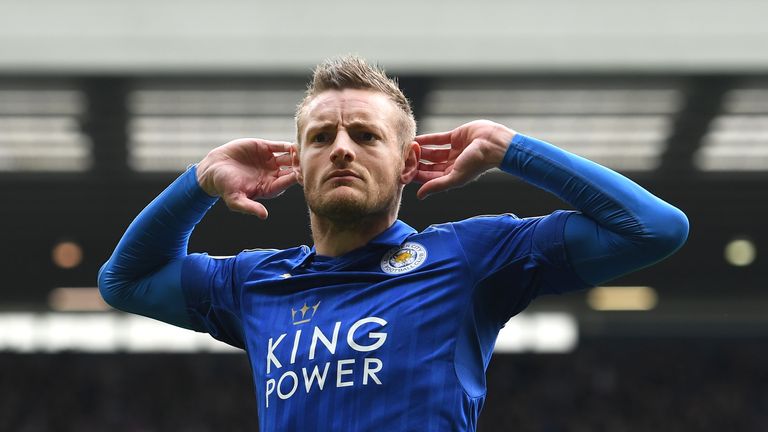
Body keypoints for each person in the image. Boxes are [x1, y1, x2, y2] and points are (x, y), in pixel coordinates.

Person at [98, 56, 689, 431]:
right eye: (322, 137)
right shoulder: (252, 283)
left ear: (409, 162)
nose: (342, 149)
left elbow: (654, 228)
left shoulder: (470, 257)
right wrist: (198, 182)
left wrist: (510, 148)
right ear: (298, 166)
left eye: (365, 135)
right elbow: (123, 281)